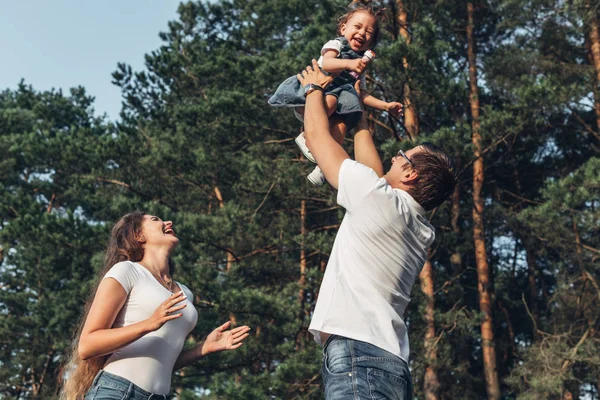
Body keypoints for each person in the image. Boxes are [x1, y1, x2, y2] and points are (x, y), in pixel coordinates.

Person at [296, 60, 458, 399]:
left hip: (359, 356)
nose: (394, 158)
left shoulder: (378, 199)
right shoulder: (418, 226)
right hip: (391, 363)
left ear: (410, 174)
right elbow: (371, 171)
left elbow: (316, 137)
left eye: (401, 155)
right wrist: (359, 113)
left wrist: (313, 88)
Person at [60, 212, 251, 400]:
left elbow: (163, 361)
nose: (168, 222)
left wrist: (204, 348)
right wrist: (150, 323)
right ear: (139, 235)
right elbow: (87, 345)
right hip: (117, 392)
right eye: (155, 219)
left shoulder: (186, 293)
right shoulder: (127, 271)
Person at [268, 0, 402, 187]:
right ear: (342, 28)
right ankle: (307, 135)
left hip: (340, 105)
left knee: (342, 126)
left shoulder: (360, 65)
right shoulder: (337, 45)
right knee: (333, 99)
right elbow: (326, 63)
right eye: (357, 26)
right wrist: (348, 64)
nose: (362, 33)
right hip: (321, 94)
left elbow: (361, 94)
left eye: (369, 32)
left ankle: (322, 168)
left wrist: (385, 106)